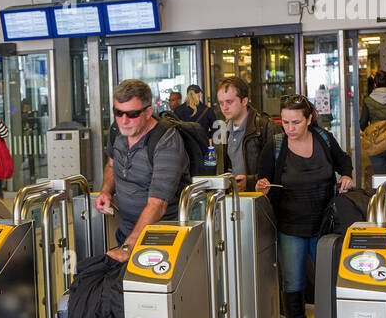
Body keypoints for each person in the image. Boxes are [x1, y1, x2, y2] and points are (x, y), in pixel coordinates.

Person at [255, 95, 354, 318]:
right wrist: (261, 186)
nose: (290, 128)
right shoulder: (275, 146)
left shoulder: (323, 139)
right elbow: (261, 179)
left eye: (296, 122)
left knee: (328, 283)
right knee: (293, 282)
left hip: (325, 225)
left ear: (309, 119)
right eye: (285, 122)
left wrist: (346, 175)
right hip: (290, 226)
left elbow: (344, 160)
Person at [95, 79, 190, 261]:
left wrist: (129, 248)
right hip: (126, 233)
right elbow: (112, 165)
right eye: (118, 113)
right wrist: (106, 191)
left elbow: (158, 204)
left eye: (132, 114)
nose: (124, 120)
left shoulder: (166, 140)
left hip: (162, 239)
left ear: (148, 112)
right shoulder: (117, 130)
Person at [213, 75, 278, 190]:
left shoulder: (266, 127)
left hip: (260, 199)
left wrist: (250, 182)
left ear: (244, 101)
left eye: (229, 102)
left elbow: (280, 169)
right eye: (221, 103)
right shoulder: (223, 130)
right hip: (233, 199)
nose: (224, 107)